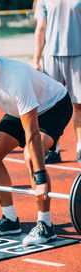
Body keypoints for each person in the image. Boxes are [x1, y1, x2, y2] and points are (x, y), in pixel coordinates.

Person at [0, 30, 73, 245]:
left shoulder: (15, 76)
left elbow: (31, 133)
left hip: (53, 107)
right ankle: (10, 220)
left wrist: (39, 180)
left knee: (31, 156)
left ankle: (46, 225)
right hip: (17, 112)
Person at [33, 0, 81, 164]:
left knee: (79, 104)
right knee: (50, 105)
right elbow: (40, 28)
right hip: (51, 56)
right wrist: (36, 59)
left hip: (78, 54)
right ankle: (54, 149)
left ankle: (80, 148)